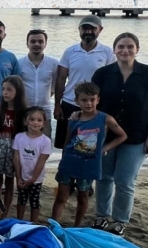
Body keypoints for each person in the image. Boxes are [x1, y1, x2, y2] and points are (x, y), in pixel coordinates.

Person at [91, 33, 148, 236]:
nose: (125, 50)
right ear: (113, 50)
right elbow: (93, 103)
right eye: (121, 46)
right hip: (105, 135)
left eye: (130, 46)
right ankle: (101, 216)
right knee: (104, 177)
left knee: (125, 181)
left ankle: (120, 220)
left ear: (137, 49)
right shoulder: (102, 74)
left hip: (136, 135)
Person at [52, 82, 126, 228]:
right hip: (69, 163)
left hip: (88, 166)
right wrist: (62, 161)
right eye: (84, 100)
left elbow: (122, 136)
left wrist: (105, 148)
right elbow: (67, 142)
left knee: (83, 197)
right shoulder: (74, 119)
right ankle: (53, 225)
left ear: (98, 100)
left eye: (92, 99)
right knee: (61, 196)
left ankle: (77, 226)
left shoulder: (105, 119)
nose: (88, 103)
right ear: (77, 101)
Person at [53, 14, 114, 149]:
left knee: (87, 145)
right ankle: (65, 168)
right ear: (79, 29)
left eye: (92, 29)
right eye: (84, 28)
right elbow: (61, 79)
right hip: (69, 103)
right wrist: (57, 104)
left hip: (93, 105)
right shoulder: (70, 51)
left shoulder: (107, 52)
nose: (88, 32)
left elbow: (111, 80)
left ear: (100, 29)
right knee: (66, 143)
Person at [0, 75, 27, 218]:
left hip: (13, 149)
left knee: (10, 181)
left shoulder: (23, 112)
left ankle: (5, 211)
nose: (5, 92)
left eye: (9, 90)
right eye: (3, 89)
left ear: (18, 91)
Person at [11, 107, 52, 222]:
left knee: (34, 201)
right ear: (26, 121)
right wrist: (18, 177)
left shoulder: (45, 141)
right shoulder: (19, 137)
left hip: (36, 178)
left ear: (44, 123)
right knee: (21, 199)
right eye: (32, 119)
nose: (35, 122)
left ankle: (33, 223)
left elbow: (41, 161)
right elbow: (16, 158)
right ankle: (19, 221)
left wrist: (33, 178)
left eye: (39, 120)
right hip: (22, 176)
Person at [18, 29, 58, 138]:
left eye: (40, 41)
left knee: (44, 144)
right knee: (22, 143)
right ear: (27, 44)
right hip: (24, 111)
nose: (36, 44)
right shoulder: (19, 63)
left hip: (45, 111)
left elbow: (56, 85)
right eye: (33, 41)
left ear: (45, 44)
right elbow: (16, 88)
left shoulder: (53, 64)